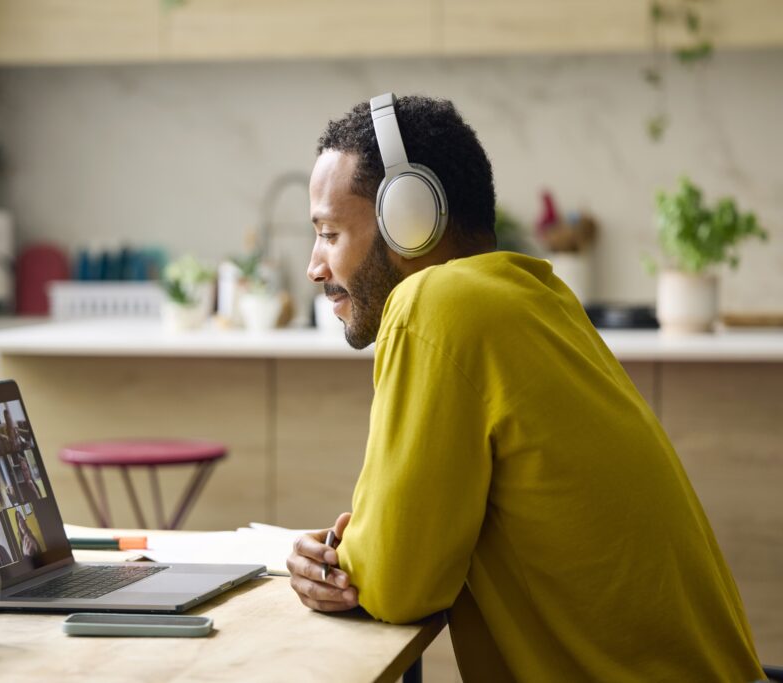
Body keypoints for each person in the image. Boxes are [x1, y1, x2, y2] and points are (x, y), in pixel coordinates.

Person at [285, 94, 763, 681]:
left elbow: (396, 585)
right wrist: (362, 547)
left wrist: (335, 566)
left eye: (329, 234)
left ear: (407, 218)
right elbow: (408, 546)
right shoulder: (539, 299)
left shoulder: (435, 304)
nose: (314, 266)